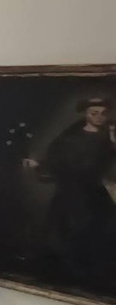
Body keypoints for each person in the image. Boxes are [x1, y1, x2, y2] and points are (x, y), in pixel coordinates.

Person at [23, 97, 116, 277]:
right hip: (72, 193)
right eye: (94, 113)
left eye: (103, 113)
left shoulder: (109, 136)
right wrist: (38, 166)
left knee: (103, 232)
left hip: (96, 192)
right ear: (86, 114)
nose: (99, 117)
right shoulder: (71, 138)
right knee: (69, 231)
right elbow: (56, 161)